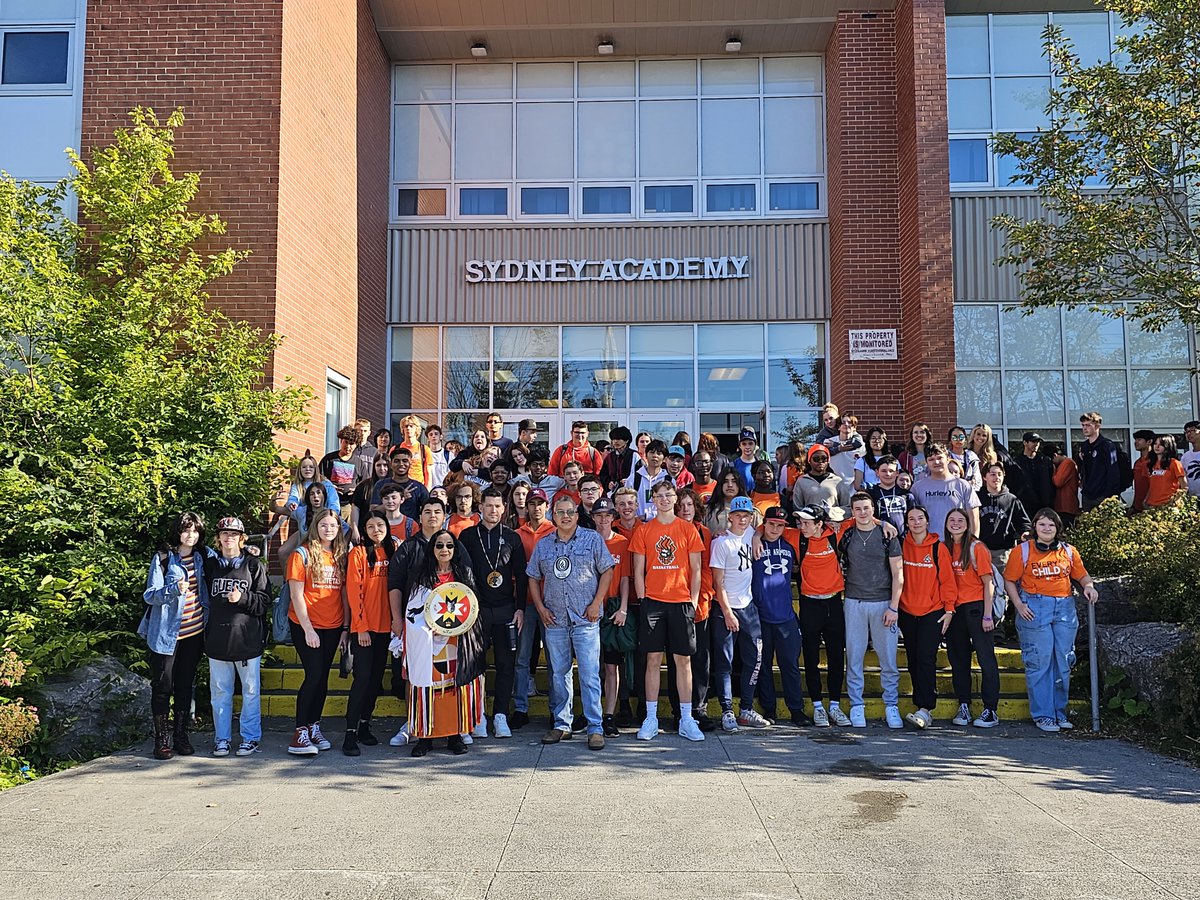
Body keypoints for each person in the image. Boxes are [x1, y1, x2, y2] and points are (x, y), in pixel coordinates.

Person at [527, 494, 614, 750]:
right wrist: (540, 608)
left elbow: (607, 570)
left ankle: (595, 727)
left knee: (589, 675)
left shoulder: (592, 539)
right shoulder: (543, 545)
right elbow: (532, 576)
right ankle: (562, 724)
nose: (565, 516)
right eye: (560, 512)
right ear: (553, 516)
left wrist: (597, 603)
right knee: (558, 675)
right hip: (555, 620)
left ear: (577, 515)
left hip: (585, 619)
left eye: (570, 512)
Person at [1003, 508, 1099, 732]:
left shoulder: (1068, 551)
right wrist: (1019, 605)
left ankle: (1059, 711)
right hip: (1034, 608)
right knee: (1040, 661)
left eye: (1051, 525)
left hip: (1063, 607)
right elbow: (1009, 580)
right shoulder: (1022, 551)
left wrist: (1089, 586)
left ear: (1058, 528)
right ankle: (1043, 714)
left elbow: (1081, 575)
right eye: (1042, 524)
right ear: (1035, 526)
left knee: (1064, 661)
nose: (1047, 529)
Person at [629, 481, 704, 742]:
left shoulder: (688, 529)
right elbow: (638, 570)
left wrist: (692, 602)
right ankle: (651, 717)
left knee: (683, 661)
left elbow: (696, 570)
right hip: (653, 602)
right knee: (652, 660)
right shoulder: (644, 530)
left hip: (681, 602)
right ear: (653, 499)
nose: (663, 499)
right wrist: (643, 598)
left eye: (668, 495)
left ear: (675, 498)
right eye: (659, 496)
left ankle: (686, 718)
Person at [401, 530, 486, 757]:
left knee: (453, 689)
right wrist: (430, 628)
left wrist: (453, 628)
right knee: (428, 689)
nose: (444, 550)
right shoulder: (422, 576)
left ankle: (454, 735)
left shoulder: (463, 574)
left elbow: (472, 607)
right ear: (432, 549)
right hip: (427, 643)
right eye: (439, 545)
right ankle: (425, 737)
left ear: (455, 549)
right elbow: (413, 610)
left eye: (449, 545)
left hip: (456, 642)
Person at [140, 511, 212, 760]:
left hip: (194, 633)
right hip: (165, 634)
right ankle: (161, 739)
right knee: (162, 687)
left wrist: (249, 555)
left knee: (185, 686)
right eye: (186, 530)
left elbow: (227, 562)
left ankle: (181, 735)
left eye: (195, 530)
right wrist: (172, 589)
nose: (191, 535)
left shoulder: (204, 555)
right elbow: (150, 594)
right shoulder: (163, 558)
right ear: (178, 532)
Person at [458, 488, 527, 739]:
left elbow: (521, 575)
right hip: (477, 611)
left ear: (504, 508)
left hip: (506, 610)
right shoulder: (467, 536)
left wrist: (520, 608)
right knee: (476, 664)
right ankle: (477, 716)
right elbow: (461, 573)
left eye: (498, 506)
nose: (493, 511)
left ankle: (500, 716)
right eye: (489, 506)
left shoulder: (512, 537)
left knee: (506, 664)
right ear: (480, 507)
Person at [202, 517, 270, 758]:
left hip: (247, 640)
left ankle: (250, 739)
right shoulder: (210, 566)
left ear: (242, 538)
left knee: (251, 692)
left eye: (234, 534)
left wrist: (241, 598)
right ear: (218, 538)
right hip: (217, 640)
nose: (228, 537)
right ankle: (222, 739)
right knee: (220, 694)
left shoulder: (253, 565)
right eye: (224, 534)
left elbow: (264, 602)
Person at [286, 507, 350, 756]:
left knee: (323, 677)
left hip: (333, 625)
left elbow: (344, 594)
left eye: (333, 526)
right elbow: (296, 595)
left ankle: (314, 726)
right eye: (324, 525)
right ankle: (299, 732)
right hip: (306, 624)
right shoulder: (301, 554)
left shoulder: (340, 555)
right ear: (315, 527)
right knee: (313, 675)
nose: (329, 529)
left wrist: (345, 627)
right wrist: (308, 629)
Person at [385, 497, 446, 747]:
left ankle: (447, 722)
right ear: (419, 517)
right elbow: (395, 585)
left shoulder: (450, 544)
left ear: (444, 516)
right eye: (427, 512)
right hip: (415, 624)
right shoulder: (409, 547)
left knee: (445, 673)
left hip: (447, 625)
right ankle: (413, 721)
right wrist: (397, 619)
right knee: (414, 675)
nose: (432, 516)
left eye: (437, 511)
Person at [841, 491, 904, 729]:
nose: (863, 513)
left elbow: (898, 575)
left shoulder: (887, 535)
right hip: (854, 602)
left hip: (883, 603)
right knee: (854, 657)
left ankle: (891, 705)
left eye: (866, 508)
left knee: (888, 659)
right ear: (852, 511)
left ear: (873, 509)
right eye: (858, 509)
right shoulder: (847, 534)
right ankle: (857, 706)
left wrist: (893, 607)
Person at [709, 496, 768, 732]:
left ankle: (746, 709)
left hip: (748, 606)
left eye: (746, 515)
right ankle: (727, 711)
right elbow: (718, 582)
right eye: (738, 515)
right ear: (730, 516)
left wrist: (756, 534)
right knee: (725, 661)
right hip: (726, 607)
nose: (742, 519)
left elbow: (764, 526)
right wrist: (726, 611)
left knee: (754, 658)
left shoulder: (752, 531)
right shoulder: (721, 542)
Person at [342, 512, 399, 755]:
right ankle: (350, 733)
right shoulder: (358, 553)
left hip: (387, 627)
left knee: (375, 680)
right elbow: (354, 593)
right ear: (364, 530)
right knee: (362, 680)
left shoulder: (393, 550)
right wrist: (361, 627)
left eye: (380, 525)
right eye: (371, 526)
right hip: (364, 628)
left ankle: (365, 725)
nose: (376, 529)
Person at [897, 506, 957, 729]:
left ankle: (926, 708)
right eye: (911, 519)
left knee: (925, 658)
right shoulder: (901, 545)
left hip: (933, 612)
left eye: (920, 518)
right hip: (906, 611)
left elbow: (948, 581)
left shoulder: (938, 548)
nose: (916, 522)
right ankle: (919, 705)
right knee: (913, 659)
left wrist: (949, 610)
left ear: (927, 521)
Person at [752, 506, 811, 727]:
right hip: (760, 615)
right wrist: (757, 534)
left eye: (780, 525)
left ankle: (796, 709)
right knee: (764, 666)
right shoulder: (752, 542)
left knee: (790, 665)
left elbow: (813, 529)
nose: (775, 529)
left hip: (785, 615)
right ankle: (769, 709)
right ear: (764, 524)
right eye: (771, 524)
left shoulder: (790, 543)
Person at [793, 505, 850, 728]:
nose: (802, 526)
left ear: (820, 524)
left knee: (837, 657)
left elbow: (859, 519)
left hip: (834, 602)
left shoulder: (834, 533)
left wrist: (883, 523)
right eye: (800, 522)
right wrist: (758, 537)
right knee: (810, 658)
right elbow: (766, 528)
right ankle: (818, 706)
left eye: (807, 522)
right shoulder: (797, 536)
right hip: (809, 604)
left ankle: (834, 705)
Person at [943, 508, 1000, 728]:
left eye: (960, 520)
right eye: (951, 520)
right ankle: (964, 705)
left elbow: (989, 584)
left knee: (986, 660)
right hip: (954, 611)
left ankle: (990, 709)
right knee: (958, 661)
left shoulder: (977, 547)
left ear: (968, 524)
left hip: (976, 609)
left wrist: (987, 615)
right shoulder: (945, 548)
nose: (955, 523)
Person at [665, 488, 715, 732]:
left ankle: (699, 708)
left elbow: (705, 569)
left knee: (700, 659)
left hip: (699, 605)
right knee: (677, 660)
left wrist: (702, 597)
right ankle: (679, 710)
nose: (685, 509)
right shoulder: (669, 530)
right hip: (674, 601)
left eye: (689, 505)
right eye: (681, 505)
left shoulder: (704, 533)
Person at [512, 488, 554, 729]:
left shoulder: (556, 531)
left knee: (554, 658)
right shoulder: (518, 534)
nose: (536, 507)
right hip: (525, 603)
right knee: (522, 657)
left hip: (551, 603)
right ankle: (520, 708)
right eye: (532, 503)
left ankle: (555, 709)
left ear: (546, 506)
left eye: (540, 503)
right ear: (526, 507)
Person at [593, 497, 631, 737]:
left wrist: (624, 608)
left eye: (608, 515)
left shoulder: (622, 542)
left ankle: (608, 715)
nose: (604, 519)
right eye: (599, 515)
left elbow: (626, 578)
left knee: (611, 666)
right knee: (591, 666)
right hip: (591, 608)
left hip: (614, 607)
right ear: (594, 517)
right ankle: (592, 713)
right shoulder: (586, 539)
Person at [275, 453, 340, 568]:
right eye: (304, 467)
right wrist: (292, 504)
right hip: (306, 523)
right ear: (300, 470)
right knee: (284, 551)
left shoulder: (326, 484)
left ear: (316, 469)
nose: (307, 469)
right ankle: (288, 583)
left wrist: (328, 517)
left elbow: (334, 505)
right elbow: (293, 499)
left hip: (324, 523)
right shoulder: (297, 485)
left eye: (311, 467)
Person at [909, 443, 980, 539]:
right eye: (931, 459)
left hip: (957, 543)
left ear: (947, 459)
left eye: (939, 458)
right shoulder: (917, 488)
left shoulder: (963, 485)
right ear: (926, 462)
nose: (936, 462)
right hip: (928, 544)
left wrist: (973, 542)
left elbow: (974, 517)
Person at [977, 462, 1031, 572]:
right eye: (992, 474)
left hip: (1003, 552)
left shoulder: (1011, 499)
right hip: (980, 549)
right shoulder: (976, 498)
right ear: (984, 477)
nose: (996, 478)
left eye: (999, 474)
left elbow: (1023, 522)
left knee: (1004, 584)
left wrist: (1025, 532)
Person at [1075, 412, 1126, 510]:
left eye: (1088, 425)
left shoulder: (1107, 445)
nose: (1084, 428)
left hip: (1103, 495)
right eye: (1083, 425)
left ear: (1097, 426)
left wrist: (1110, 495)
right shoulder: (1084, 446)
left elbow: (1113, 472)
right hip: (1087, 495)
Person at [320, 425, 371, 515]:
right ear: (341, 441)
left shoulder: (359, 463)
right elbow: (319, 477)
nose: (348, 446)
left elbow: (366, 484)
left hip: (350, 506)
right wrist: (329, 487)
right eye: (346, 442)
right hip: (329, 504)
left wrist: (357, 490)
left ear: (356, 445)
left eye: (351, 444)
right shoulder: (329, 459)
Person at [792, 444, 844, 520]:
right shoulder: (801, 481)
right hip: (810, 526)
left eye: (824, 458)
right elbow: (797, 507)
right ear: (809, 460)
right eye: (816, 458)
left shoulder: (837, 481)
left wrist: (830, 513)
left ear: (828, 460)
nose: (820, 462)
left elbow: (847, 507)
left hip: (833, 525)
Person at [351, 454, 395, 543]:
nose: (382, 468)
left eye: (385, 465)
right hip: (367, 531)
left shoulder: (395, 486)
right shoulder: (364, 486)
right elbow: (355, 508)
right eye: (378, 465)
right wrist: (354, 529)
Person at [866, 455, 913, 534]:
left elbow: (913, 517)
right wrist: (882, 523)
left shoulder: (906, 494)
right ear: (877, 472)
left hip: (903, 540)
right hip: (878, 537)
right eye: (884, 471)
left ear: (897, 473)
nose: (888, 474)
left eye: (891, 471)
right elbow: (865, 516)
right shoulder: (870, 494)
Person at [625, 439, 669, 520]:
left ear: (664, 459)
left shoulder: (669, 480)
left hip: (662, 525)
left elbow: (672, 507)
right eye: (652, 452)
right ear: (646, 455)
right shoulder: (634, 479)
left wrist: (647, 516)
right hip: (638, 526)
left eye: (659, 453)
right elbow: (626, 503)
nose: (655, 456)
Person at [1013, 432, 1055, 516]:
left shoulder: (1045, 460)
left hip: (1044, 503)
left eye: (1038, 442)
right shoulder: (1017, 462)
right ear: (1025, 443)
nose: (1036, 444)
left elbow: (1050, 480)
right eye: (1033, 441)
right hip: (1025, 503)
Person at [824, 414, 865, 497]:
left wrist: (837, 445)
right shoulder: (828, 442)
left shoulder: (862, 446)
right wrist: (838, 448)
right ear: (838, 427)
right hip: (834, 488)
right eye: (843, 423)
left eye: (850, 422)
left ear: (854, 427)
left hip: (855, 488)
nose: (846, 424)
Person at [703, 467, 750, 535]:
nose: (730, 485)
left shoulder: (750, 510)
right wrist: (712, 537)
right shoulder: (707, 510)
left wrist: (757, 536)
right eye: (726, 482)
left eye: (734, 481)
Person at [1144, 434, 1186, 509]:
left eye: (1161, 444)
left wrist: (1175, 501)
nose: (1157, 447)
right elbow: (1152, 486)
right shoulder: (1152, 464)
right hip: (1152, 505)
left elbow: (1184, 486)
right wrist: (1146, 500)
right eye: (1155, 444)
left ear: (1168, 446)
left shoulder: (1174, 463)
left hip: (1168, 505)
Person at [388, 447, 429, 520]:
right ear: (391, 464)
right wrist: (398, 498)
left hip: (412, 529)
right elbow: (374, 510)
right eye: (397, 461)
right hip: (387, 528)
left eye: (405, 461)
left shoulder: (419, 488)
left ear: (410, 464)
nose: (401, 464)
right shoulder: (381, 485)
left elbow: (428, 511)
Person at [396, 415, 434, 489]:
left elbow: (428, 473)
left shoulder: (424, 449)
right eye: (406, 426)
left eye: (411, 426)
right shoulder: (396, 449)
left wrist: (427, 490)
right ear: (402, 429)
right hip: (399, 487)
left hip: (418, 487)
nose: (408, 428)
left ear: (416, 429)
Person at [1049, 445, 1081, 528]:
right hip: (1062, 506)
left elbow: (1057, 482)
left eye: (1052, 461)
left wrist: (1053, 470)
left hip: (1067, 506)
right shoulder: (1065, 464)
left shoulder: (1067, 463)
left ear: (1055, 455)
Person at [601, 426, 637, 491]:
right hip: (614, 493)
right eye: (613, 439)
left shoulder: (635, 456)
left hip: (631, 492)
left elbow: (642, 475)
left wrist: (630, 481)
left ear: (626, 440)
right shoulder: (609, 457)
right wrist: (608, 483)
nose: (615, 442)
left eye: (618, 439)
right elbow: (603, 475)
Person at [1130, 429, 1157, 513]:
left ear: (1149, 441)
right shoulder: (1137, 462)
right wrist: (1134, 505)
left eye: (1139, 439)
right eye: (1135, 440)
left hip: (1151, 506)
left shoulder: (1155, 462)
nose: (1136, 442)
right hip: (1138, 506)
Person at [732, 427, 760, 492]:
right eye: (744, 444)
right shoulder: (733, 466)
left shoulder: (761, 465)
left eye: (750, 443)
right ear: (740, 446)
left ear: (755, 445)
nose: (747, 447)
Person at [425, 423, 454, 488]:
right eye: (431, 434)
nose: (433, 436)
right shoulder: (424, 454)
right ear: (428, 438)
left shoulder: (449, 455)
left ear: (441, 436)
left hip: (444, 491)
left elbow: (452, 475)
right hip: (429, 491)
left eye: (436, 434)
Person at [1183, 421, 1200, 498]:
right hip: (1192, 498)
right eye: (1186, 432)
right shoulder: (1186, 456)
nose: (1188, 434)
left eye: (1191, 431)